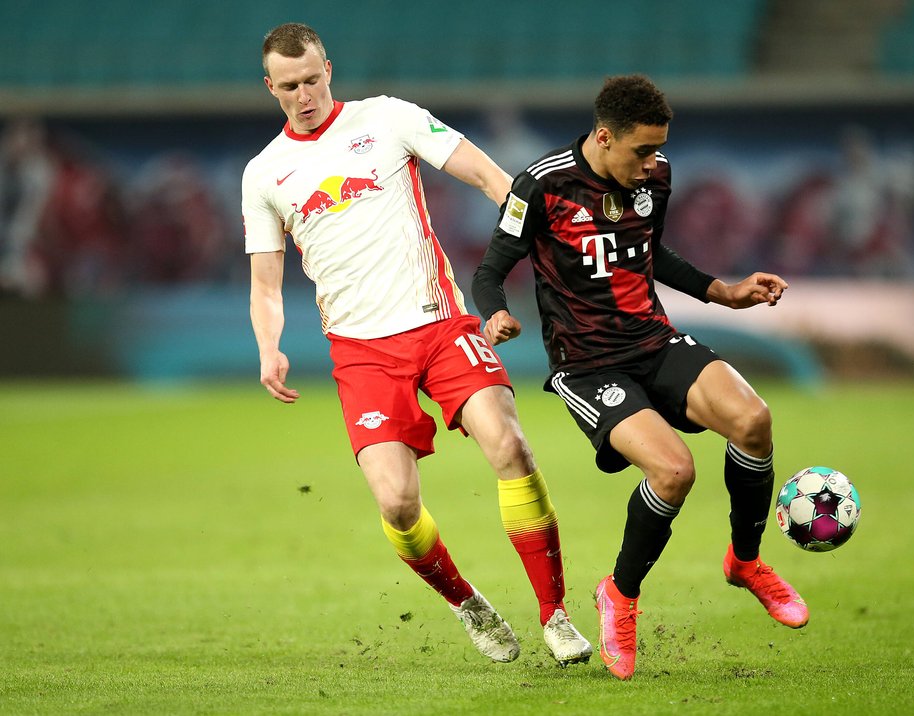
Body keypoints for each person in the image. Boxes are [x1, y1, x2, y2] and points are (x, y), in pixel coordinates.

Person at [242, 23, 591, 666]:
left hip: (439, 322)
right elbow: (267, 284)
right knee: (398, 504)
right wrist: (270, 346)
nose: (304, 95)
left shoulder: (388, 119)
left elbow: (488, 176)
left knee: (509, 444)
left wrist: (540, 238)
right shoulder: (265, 174)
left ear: (329, 69)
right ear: (271, 88)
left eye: (313, 79)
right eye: (289, 86)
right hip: (359, 351)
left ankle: (556, 614)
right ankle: (467, 603)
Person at [472, 74, 808, 681]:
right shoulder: (542, 185)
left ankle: (746, 561)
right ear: (604, 137)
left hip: (653, 341)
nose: (654, 164)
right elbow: (491, 269)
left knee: (753, 421)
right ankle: (619, 595)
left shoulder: (655, 178)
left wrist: (725, 294)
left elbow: (653, 255)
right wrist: (494, 313)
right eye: (643, 152)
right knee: (674, 470)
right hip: (588, 363)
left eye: (659, 150)